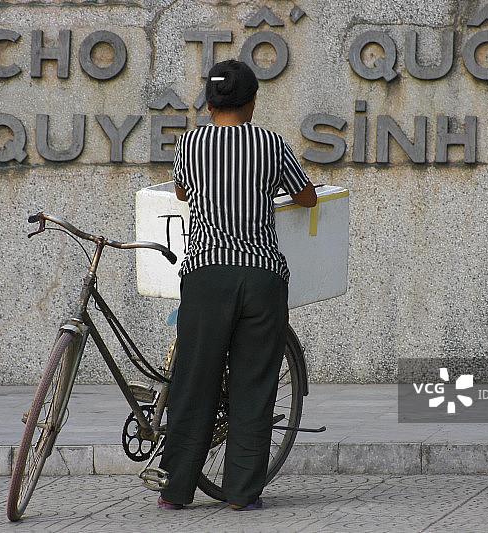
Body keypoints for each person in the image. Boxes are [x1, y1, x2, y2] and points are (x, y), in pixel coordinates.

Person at [157, 59, 317, 511]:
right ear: (252, 103)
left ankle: (176, 490)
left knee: (193, 380)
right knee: (254, 384)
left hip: (207, 275)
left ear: (208, 105)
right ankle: (242, 494)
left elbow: (183, 193)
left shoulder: (190, 143)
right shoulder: (272, 143)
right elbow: (305, 195)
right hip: (263, 277)